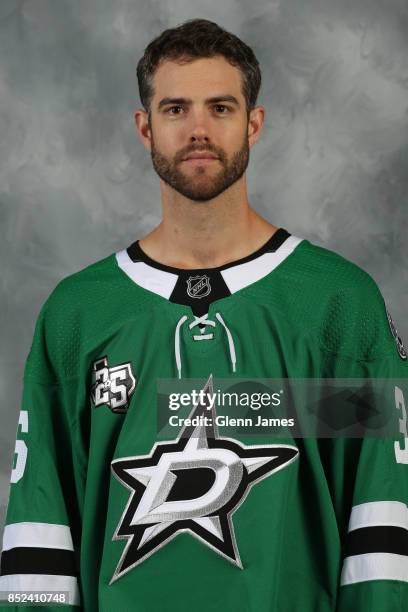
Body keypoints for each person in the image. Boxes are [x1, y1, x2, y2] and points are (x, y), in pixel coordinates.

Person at [0, 17, 407, 612]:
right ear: (144, 127)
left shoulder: (336, 305)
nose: (197, 129)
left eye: (220, 107)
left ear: (254, 123)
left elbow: (379, 517)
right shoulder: (78, 313)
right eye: (174, 109)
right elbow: (41, 526)